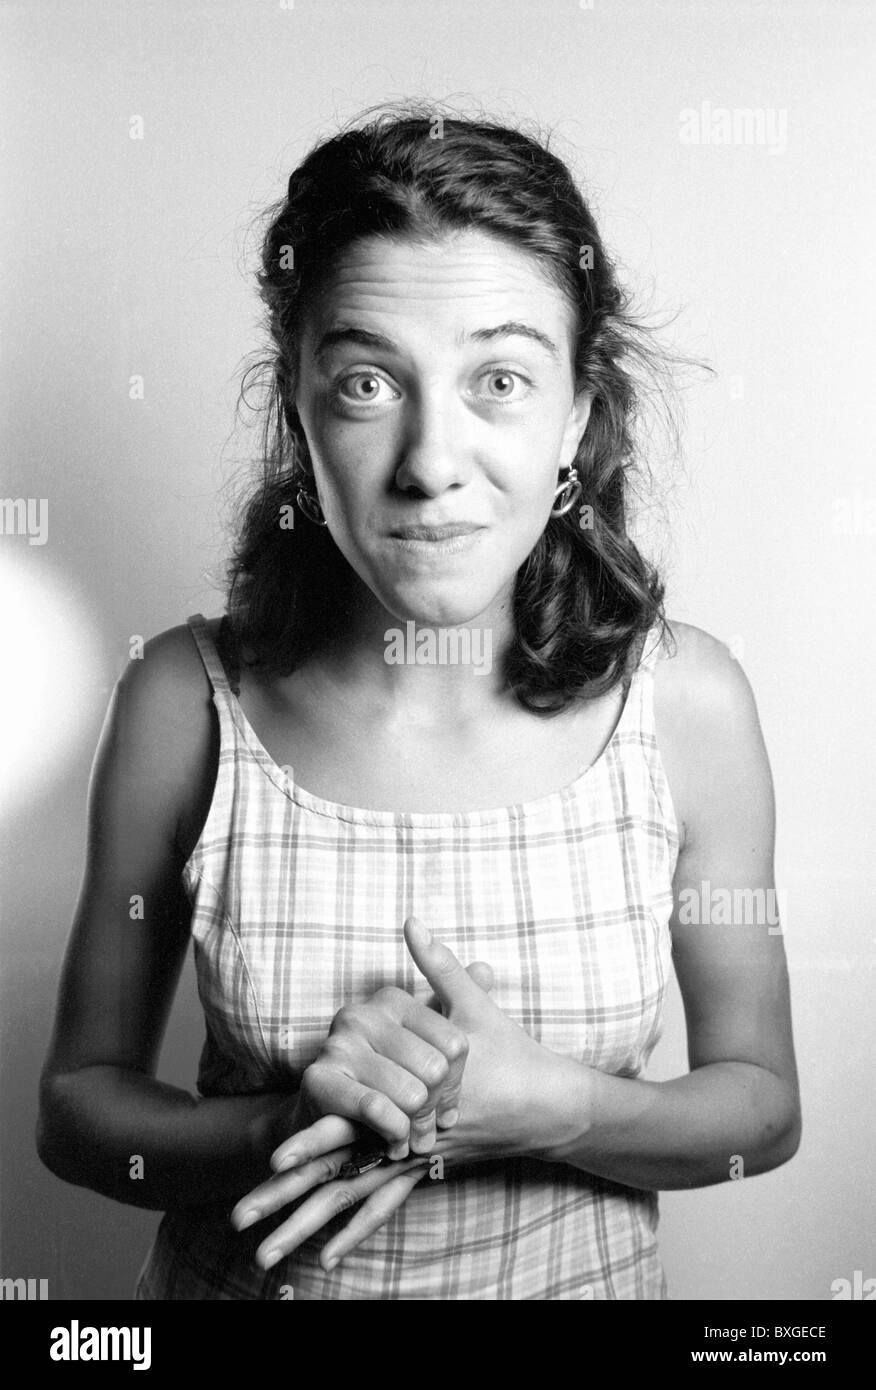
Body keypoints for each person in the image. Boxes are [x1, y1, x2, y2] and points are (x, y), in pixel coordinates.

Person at [36, 106, 801, 1301]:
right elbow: (78, 1112)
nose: (431, 460)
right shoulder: (184, 697)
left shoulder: (687, 703)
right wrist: (283, 1122)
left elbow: (762, 1106)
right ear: (298, 410)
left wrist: (555, 1109)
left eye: (500, 378)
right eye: (367, 381)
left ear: (577, 417)